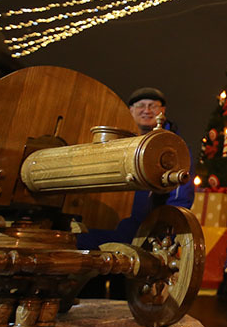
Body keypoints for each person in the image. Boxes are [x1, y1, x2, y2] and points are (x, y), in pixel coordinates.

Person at [77, 87, 195, 298]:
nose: (146, 110)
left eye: (153, 106)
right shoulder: (114, 140)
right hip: (101, 228)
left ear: (162, 111)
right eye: (140, 105)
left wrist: (165, 227)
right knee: (86, 287)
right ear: (130, 110)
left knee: (127, 296)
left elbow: (181, 195)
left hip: (142, 234)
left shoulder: (173, 147)